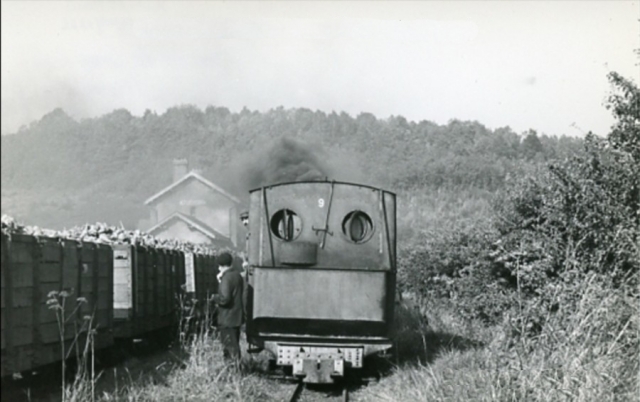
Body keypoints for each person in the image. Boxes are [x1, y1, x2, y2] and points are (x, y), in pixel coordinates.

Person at [213, 252, 244, 363]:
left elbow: (225, 299)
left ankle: (234, 373)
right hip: (236, 318)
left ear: (220, 265)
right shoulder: (237, 275)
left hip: (227, 318)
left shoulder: (227, 278)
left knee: (229, 349)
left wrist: (215, 298)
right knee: (234, 346)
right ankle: (236, 371)